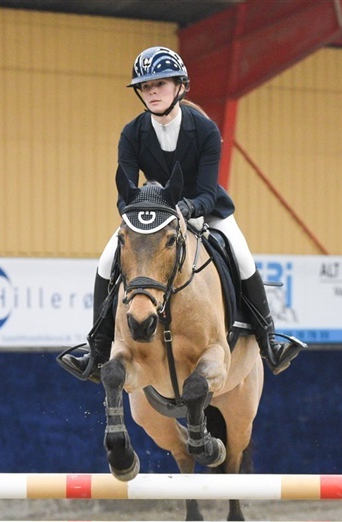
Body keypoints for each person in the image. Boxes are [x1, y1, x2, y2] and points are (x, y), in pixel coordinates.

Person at [59, 45, 303, 382]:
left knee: (242, 256)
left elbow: (206, 191)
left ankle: (268, 341)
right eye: (146, 86)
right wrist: (138, 217)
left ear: (180, 86)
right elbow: (126, 194)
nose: (152, 92)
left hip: (206, 210)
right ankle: (98, 350)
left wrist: (184, 210)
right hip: (153, 217)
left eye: (160, 84)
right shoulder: (132, 133)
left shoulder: (205, 130)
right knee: (105, 261)